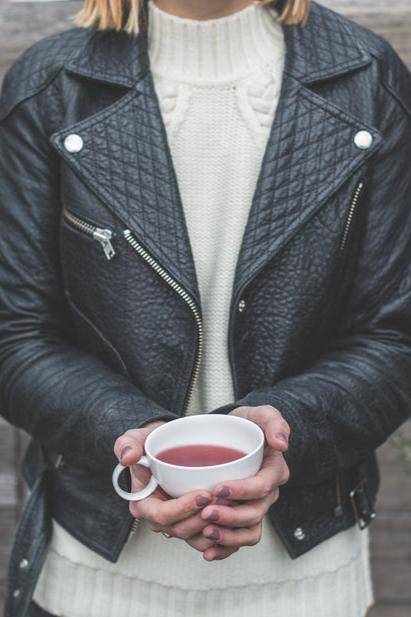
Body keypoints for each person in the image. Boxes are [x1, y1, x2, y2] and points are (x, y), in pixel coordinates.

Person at [0, 0, 410, 615]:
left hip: (305, 584)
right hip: (91, 576)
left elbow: (395, 335)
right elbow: (17, 335)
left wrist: (284, 432)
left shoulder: (365, 76)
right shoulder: (53, 85)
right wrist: (129, 435)